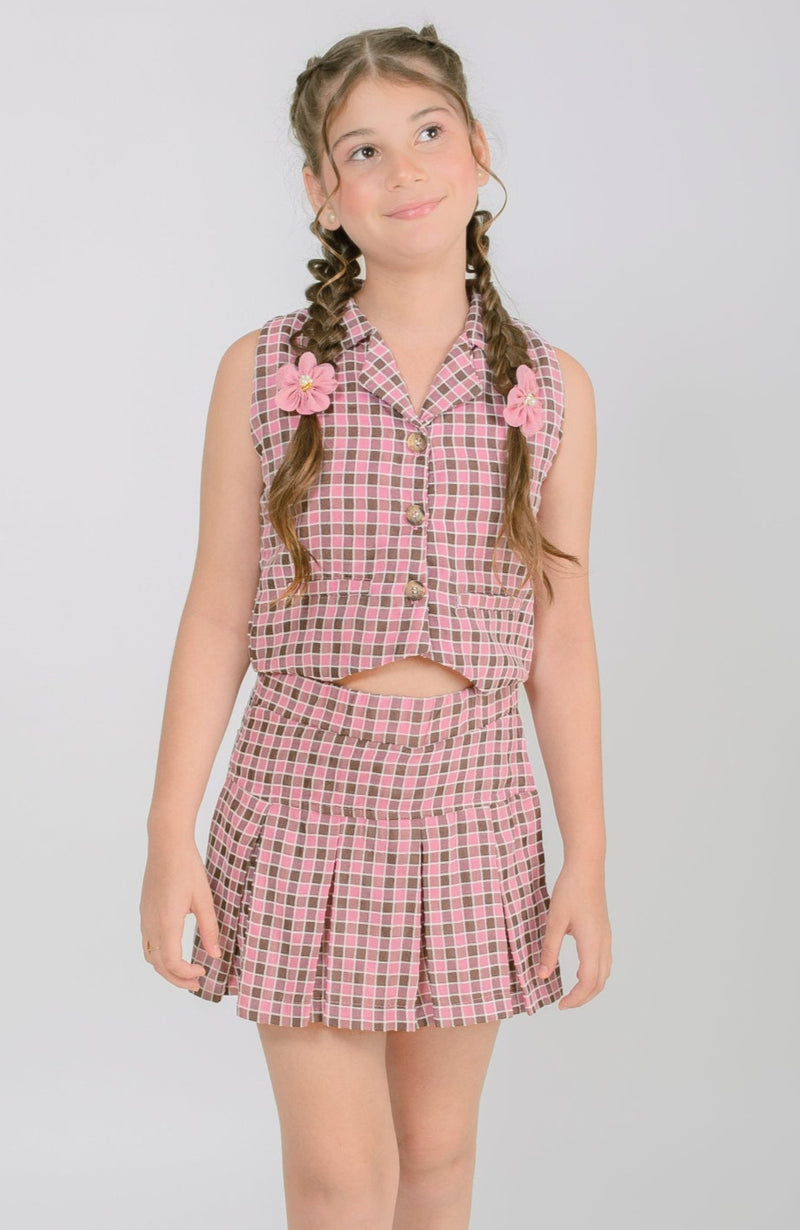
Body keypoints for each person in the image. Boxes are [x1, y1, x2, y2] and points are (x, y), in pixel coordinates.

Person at [140, 22, 611, 1230]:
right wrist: (167, 834)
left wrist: (586, 861)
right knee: (342, 1180)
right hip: (304, 795)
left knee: (436, 1155)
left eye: (427, 132)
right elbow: (217, 613)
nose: (403, 170)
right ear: (321, 191)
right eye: (361, 150)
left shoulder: (550, 390)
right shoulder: (262, 370)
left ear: (477, 150)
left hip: (475, 803)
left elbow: (560, 641)